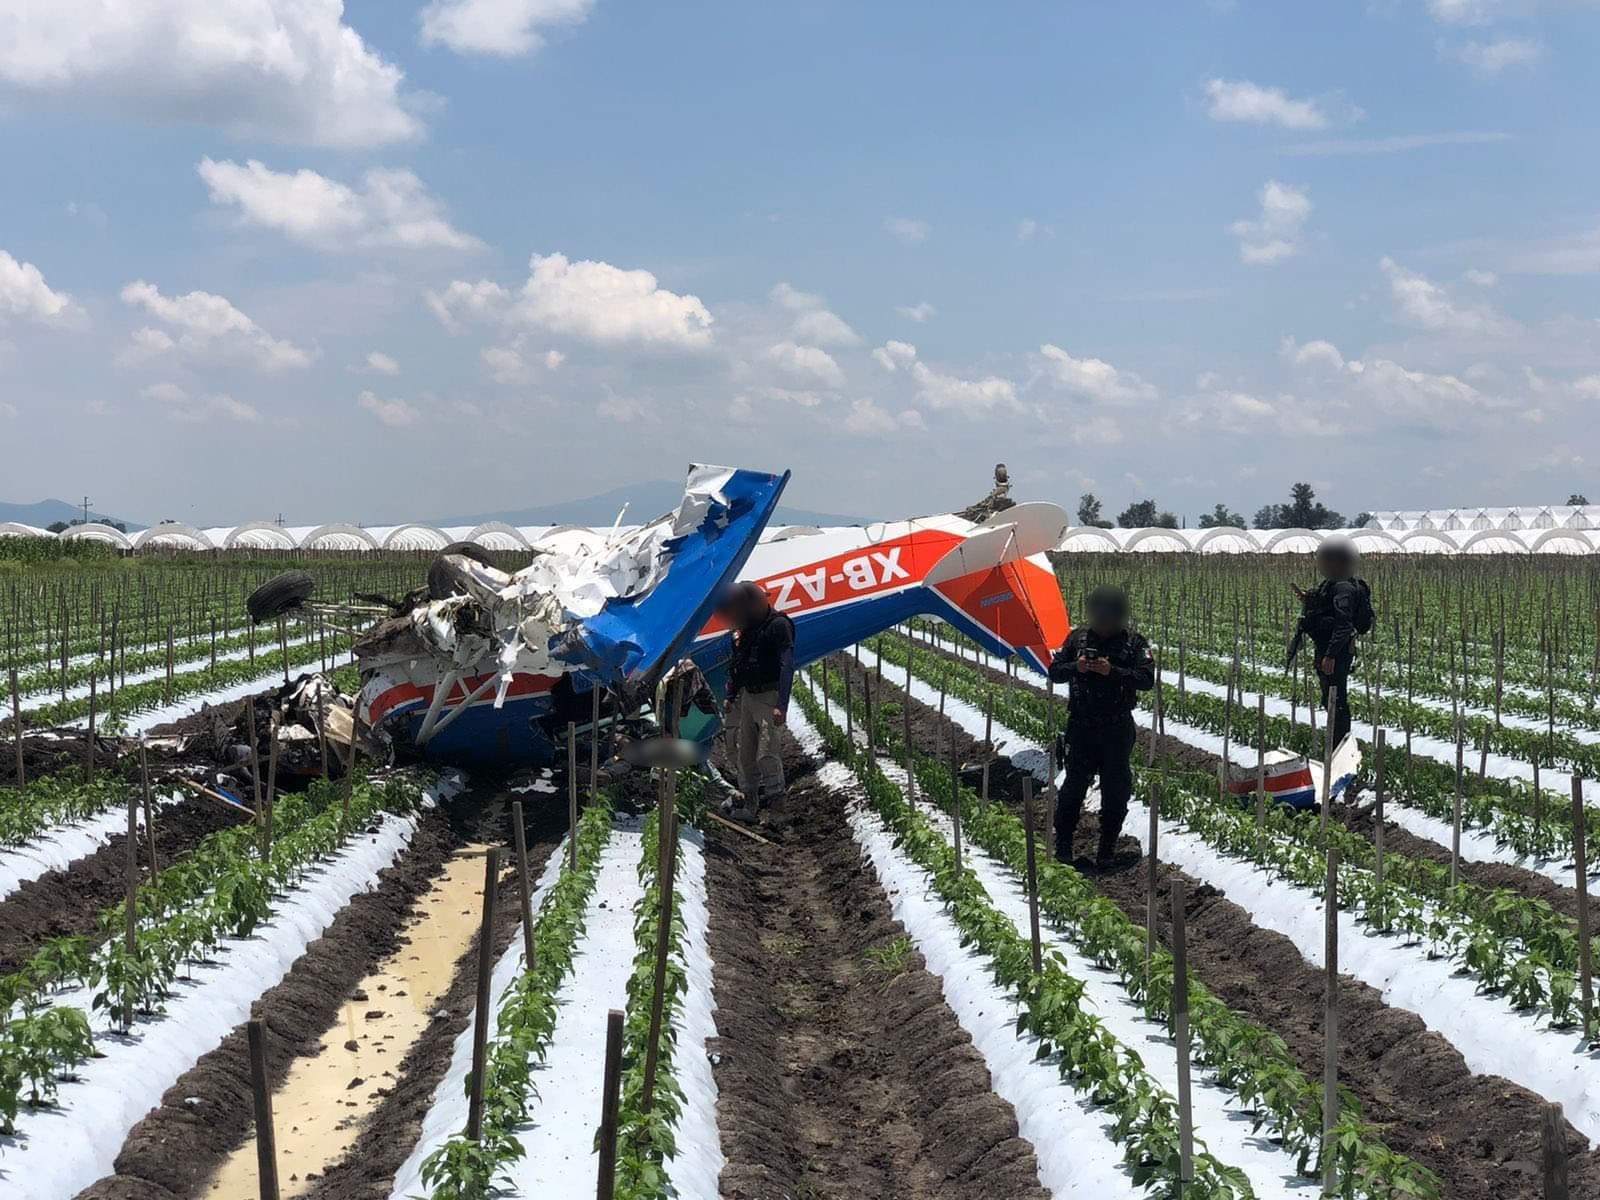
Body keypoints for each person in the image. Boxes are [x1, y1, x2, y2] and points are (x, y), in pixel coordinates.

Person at [1047, 585, 1154, 869]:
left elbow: (1146, 680)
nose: (1104, 623)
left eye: (1110, 618)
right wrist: (1077, 667)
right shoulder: (1076, 639)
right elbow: (1055, 671)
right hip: (1082, 727)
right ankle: (1063, 847)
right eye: (1100, 616)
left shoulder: (1134, 643)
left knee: (1116, 791)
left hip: (1116, 729)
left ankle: (1106, 850)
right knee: (1073, 788)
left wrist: (1112, 671)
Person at [721, 582, 796, 822]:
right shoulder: (746, 630)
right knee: (745, 753)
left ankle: (778, 810)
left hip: (768, 695)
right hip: (748, 696)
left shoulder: (778, 625)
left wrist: (781, 705)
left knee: (766, 752)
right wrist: (731, 695)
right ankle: (750, 806)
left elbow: (786, 665)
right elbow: (737, 664)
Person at [1291, 536, 1371, 750]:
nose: (1327, 564)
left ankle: (1339, 745)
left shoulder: (1344, 588)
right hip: (1328, 648)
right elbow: (1324, 604)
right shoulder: (1332, 583)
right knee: (1330, 698)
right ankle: (1335, 742)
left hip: (1337, 652)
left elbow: (1344, 624)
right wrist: (1308, 598)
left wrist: (1331, 655)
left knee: (1336, 700)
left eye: (1331, 560)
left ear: (1341, 562)